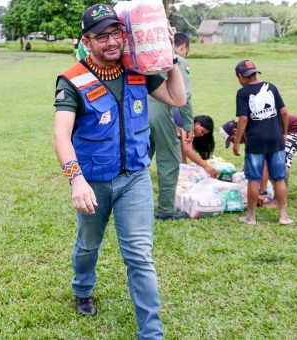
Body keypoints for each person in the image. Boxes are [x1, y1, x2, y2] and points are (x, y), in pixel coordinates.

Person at [52, 4, 186, 339]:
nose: (111, 42)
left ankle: (151, 333)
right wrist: (76, 180)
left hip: (135, 178)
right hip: (94, 182)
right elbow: (60, 134)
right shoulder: (73, 80)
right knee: (88, 245)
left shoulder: (138, 70)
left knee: (140, 256)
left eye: (116, 33)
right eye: (101, 36)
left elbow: (176, 98)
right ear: (87, 40)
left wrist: (170, 58)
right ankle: (83, 290)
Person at [232, 60, 293, 226]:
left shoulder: (242, 93)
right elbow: (284, 112)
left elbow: (243, 118)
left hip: (255, 142)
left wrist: (237, 142)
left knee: (254, 179)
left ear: (240, 76)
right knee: (279, 179)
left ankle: (251, 217)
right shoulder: (271, 87)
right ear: (255, 73)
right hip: (276, 140)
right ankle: (283, 216)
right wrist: (284, 133)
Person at [148, 32, 196, 221]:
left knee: (138, 161)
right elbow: (186, 97)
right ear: (183, 47)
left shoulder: (148, 57)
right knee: (169, 161)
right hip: (160, 115)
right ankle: (166, 211)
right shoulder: (179, 62)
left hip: (138, 114)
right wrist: (188, 125)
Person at [221, 113, 297, 208]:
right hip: (278, 132)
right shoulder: (247, 132)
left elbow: (264, 163)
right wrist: (243, 177)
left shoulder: (250, 131)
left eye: (232, 140)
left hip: (294, 128)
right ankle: (278, 193)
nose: (234, 143)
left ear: (235, 131)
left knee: (278, 163)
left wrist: (262, 191)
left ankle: (279, 199)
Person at [172, 108, 218, 177]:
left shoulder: (184, 127)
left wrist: (184, 169)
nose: (201, 135)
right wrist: (206, 167)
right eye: (202, 131)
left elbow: (183, 151)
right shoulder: (187, 123)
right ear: (197, 124)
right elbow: (188, 151)